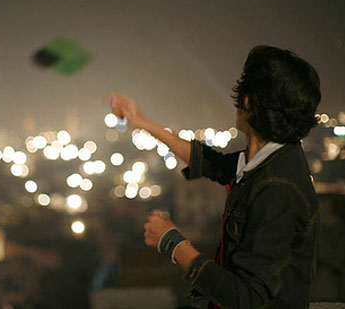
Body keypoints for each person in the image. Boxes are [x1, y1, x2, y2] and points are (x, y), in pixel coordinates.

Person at [107, 45, 321, 308]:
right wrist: (141, 122)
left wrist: (171, 242)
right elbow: (209, 162)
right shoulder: (270, 158)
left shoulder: (277, 189)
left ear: (247, 102)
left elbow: (246, 298)